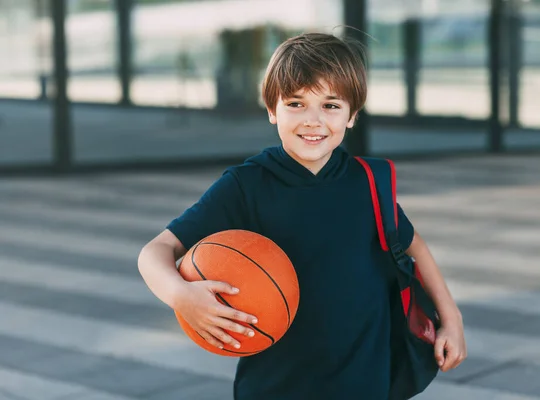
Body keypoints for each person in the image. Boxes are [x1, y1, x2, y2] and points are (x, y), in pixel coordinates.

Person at [138, 32, 467, 400]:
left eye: (330, 106)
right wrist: (181, 295)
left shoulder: (368, 183)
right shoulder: (246, 185)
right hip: (277, 386)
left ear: (353, 115)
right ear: (271, 109)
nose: (313, 121)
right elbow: (156, 251)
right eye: (296, 103)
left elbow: (414, 246)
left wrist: (450, 319)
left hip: (365, 381)